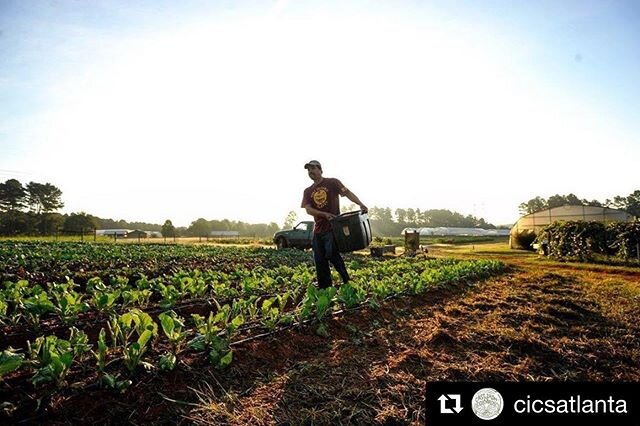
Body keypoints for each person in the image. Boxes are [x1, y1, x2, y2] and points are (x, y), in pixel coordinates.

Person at [301, 160, 368, 289]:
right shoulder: (308, 191)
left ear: (320, 170)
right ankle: (324, 287)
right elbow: (308, 210)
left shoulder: (332, 183)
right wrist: (324, 214)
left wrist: (360, 203)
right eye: (308, 170)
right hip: (318, 230)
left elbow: (347, 193)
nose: (310, 172)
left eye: (313, 168)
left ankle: (347, 281)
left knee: (331, 254)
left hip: (333, 227)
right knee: (319, 259)